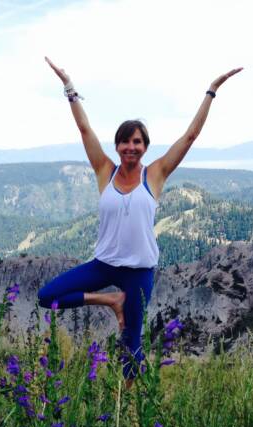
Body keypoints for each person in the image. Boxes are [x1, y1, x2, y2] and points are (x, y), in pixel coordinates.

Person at [39, 57, 242, 384]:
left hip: (139, 273)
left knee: (131, 347)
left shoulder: (156, 174)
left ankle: (130, 406)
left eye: (137, 141)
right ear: (117, 146)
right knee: (47, 296)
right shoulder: (105, 171)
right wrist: (69, 88)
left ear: (145, 147)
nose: (130, 147)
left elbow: (189, 137)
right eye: (125, 141)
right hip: (103, 264)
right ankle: (110, 301)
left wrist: (211, 91)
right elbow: (84, 129)